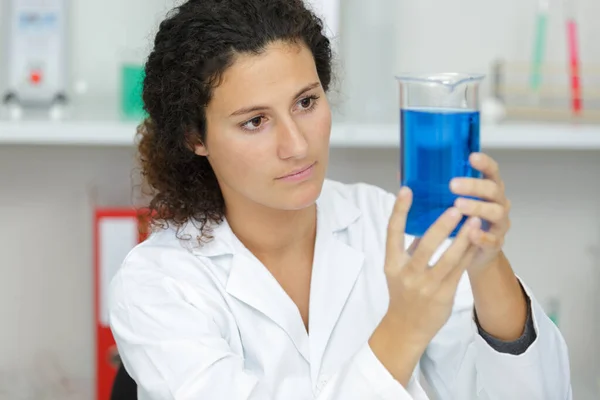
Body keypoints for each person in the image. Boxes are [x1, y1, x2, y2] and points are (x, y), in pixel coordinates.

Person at [108, 0, 572, 399]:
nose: (296, 144)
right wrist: (404, 328)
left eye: (306, 102)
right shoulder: (158, 284)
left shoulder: (385, 222)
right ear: (195, 137)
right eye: (255, 121)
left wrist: (487, 265)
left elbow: (535, 392)